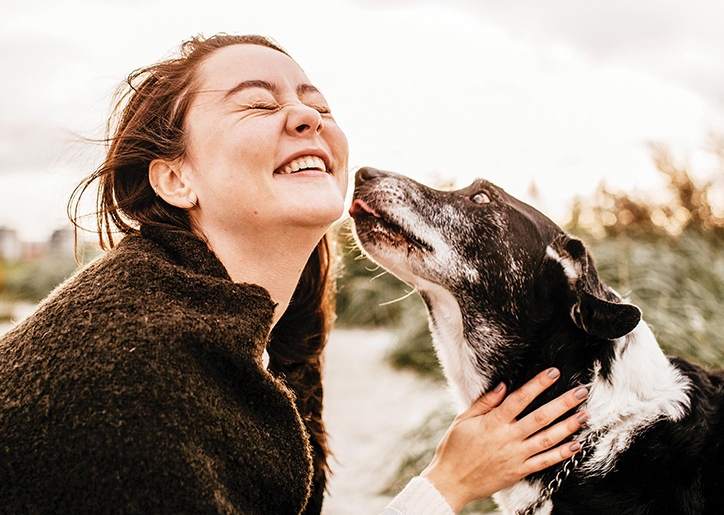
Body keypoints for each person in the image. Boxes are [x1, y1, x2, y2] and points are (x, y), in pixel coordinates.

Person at [0, 34, 590, 515]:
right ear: (176, 179)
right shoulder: (131, 376)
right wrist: (449, 483)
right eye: (258, 103)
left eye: (319, 105)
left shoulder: (198, 321)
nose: (307, 115)